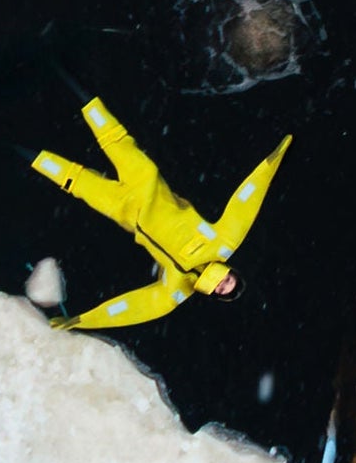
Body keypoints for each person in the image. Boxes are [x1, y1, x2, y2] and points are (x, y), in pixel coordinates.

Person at [29, 97, 292, 330]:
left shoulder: (175, 292)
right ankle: (64, 76)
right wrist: (272, 162)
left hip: (123, 211)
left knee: (72, 180)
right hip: (147, 184)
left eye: (221, 289)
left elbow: (129, 309)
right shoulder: (224, 242)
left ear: (212, 294)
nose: (220, 282)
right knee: (111, 135)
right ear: (231, 271)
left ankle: (10, 142)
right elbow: (247, 201)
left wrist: (81, 320)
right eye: (228, 280)